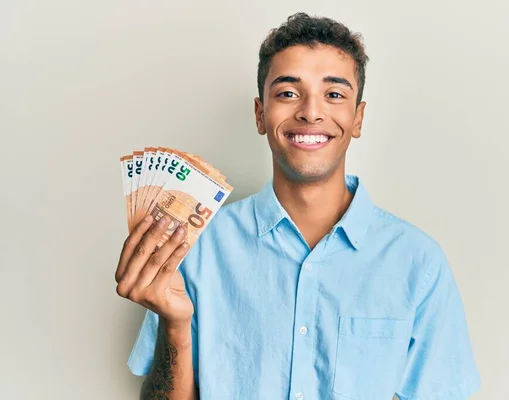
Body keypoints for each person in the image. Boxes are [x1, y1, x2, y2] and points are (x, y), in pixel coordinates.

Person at [115, 12, 481, 400]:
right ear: (260, 114)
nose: (310, 111)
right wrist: (174, 325)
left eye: (334, 94)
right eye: (288, 93)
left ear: (357, 118)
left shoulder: (418, 262)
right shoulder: (195, 248)